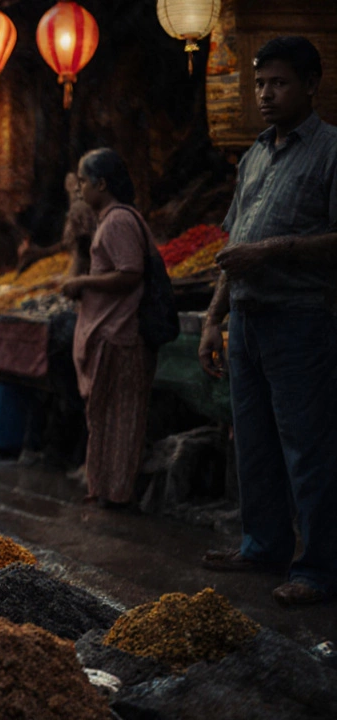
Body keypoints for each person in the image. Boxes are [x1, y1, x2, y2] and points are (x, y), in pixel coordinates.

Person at [198, 36, 337, 608]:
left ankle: (321, 569)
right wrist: (212, 318)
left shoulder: (330, 149)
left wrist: (276, 249)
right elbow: (236, 244)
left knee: (307, 447)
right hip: (247, 321)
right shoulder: (253, 155)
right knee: (252, 444)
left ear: (310, 85)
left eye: (278, 83)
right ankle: (262, 545)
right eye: (259, 83)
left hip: (300, 319)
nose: (265, 94)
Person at [61, 149, 155, 509]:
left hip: (120, 333)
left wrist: (83, 281)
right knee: (107, 416)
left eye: (84, 181)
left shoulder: (117, 221)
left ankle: (116, 494)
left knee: (119, 418)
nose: (81, 188)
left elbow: (130, 273)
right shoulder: (114, 219)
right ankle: (105, 490)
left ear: (102, 183)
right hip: (113, 332)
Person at [19, 172, 95, 274]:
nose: (74, 192)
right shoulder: (77, 207)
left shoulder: (80, 209)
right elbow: (67, 243)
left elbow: (72, 244)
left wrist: (39, 252)